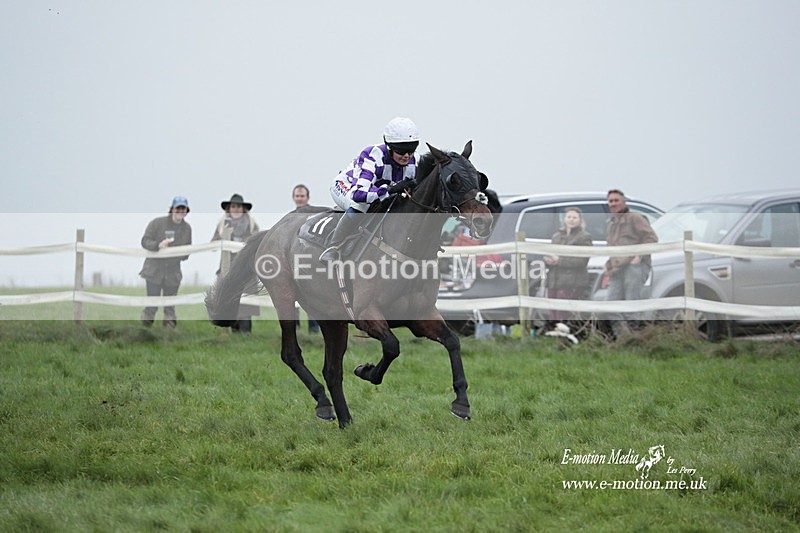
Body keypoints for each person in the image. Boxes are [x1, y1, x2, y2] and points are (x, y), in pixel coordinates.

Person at [318, 117, 419, 263]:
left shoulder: (415, 161)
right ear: (390, 147)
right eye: (402, 151)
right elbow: (359, 194)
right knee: (361, 205)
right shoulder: (373, 155)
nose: (407, 156)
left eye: (411, 150)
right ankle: (333, 248)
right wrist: (388, 191)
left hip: (377, 191)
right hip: (347, 187)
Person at [604, 189, 658, 337]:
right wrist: (608, 266)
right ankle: (624, 338)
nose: (613, 204)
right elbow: (612, 249)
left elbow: (651, 238)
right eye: (610, 201)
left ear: (624, 202)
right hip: (616, 269)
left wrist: (639, 256)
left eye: (616, 201)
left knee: (631, 305)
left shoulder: (635, 218)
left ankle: (635, 339)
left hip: (634, 267)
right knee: (610, 306)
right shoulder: (611, 224)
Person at [139, 196, 193, 327]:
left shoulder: (187, 229)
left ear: (186, 211)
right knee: (152, 305)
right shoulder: (157, 223)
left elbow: (187, 251)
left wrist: (176, 253)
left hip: (173, 273)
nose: (180, 211)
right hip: (154, 271)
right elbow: (145, 241)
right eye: (177, 208)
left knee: (170, 308)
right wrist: (158, 245)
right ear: (172, 209)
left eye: (183, 208)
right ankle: (144, 333)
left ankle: (169, 337)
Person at [211, 193, 260, 333]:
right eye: (233, 206)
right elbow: (213, 243)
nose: (236, 209)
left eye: (238, 206)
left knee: (246, 301)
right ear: (229, 208)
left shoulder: (251, 224)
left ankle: (246, 333)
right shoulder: (222, 224)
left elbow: (256, 242)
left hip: (246, 268)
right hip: (227, 267)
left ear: (243, 208)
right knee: (229, 298)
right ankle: (232, 331)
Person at [543, 207, 593, 325]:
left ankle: (565, 335)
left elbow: (582, 261)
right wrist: (548, 260)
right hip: (554, 280)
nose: (571, 220)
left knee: (564, 312)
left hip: (572, 281)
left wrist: (559, 261)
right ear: (564, 219)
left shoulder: (584, 237)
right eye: (569, 217)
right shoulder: (556, 236)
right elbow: (550, 253)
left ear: (580, 220)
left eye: (574, 217)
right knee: (552, 310)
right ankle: (554, 334)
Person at [290, 184, 322, 333]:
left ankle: (314, 327)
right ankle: (295, 326)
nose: (300, 198)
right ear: (293, 198)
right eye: (297, 196)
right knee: (293, 293)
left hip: (311, 260)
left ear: (307, 198)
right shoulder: (289, 217)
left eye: (302, 196)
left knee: (312, 293)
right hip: (294, 260)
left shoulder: (314, 215)